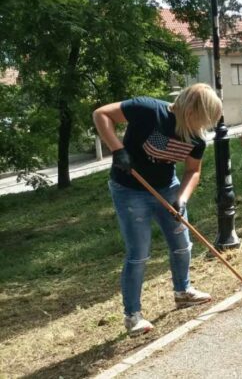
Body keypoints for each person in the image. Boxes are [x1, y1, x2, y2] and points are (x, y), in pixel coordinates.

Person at [92, 83, 222, 337]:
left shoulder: (196, 138)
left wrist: (181, 199)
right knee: (139, 254)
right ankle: (132, 316)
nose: (204, 126)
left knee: (182, 244)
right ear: (190, 110)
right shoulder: (149, 110)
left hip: (167, 187)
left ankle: (183, 292)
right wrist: (118, 150)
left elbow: (193, 171)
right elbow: (101, 114)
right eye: (203, 118)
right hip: (130, 189)